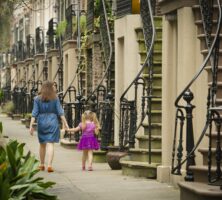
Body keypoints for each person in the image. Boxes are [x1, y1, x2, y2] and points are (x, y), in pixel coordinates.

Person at [29, 81, 69, 172]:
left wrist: (31, 125)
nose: (55, 88)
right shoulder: (55, 98)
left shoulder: (37, 99)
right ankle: (50, 165)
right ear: (50, 88)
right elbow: (60, 112)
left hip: (42, 122)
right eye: (53, 86)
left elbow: (34, 113)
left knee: (42, 144)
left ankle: (42, 164)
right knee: (50, 144)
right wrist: (65, 123)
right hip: (53, 121)